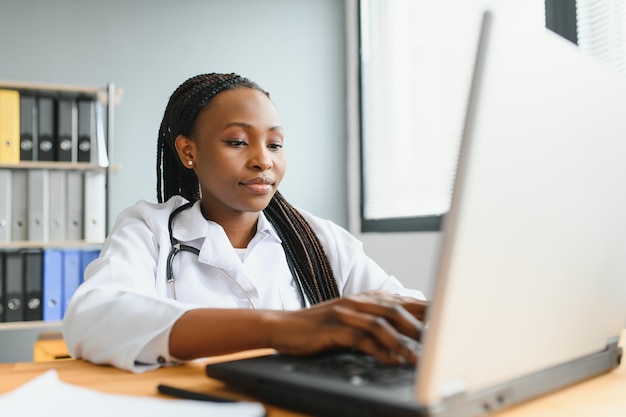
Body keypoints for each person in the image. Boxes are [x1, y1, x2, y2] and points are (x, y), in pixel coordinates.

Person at [62, 73, 428, 373]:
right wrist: (284, 328)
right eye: (237, 141)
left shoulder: (318, 238)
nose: (262, 160)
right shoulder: (149, 229)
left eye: (275, 144)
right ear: (189, 151)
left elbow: (401, 307)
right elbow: (93, 316)